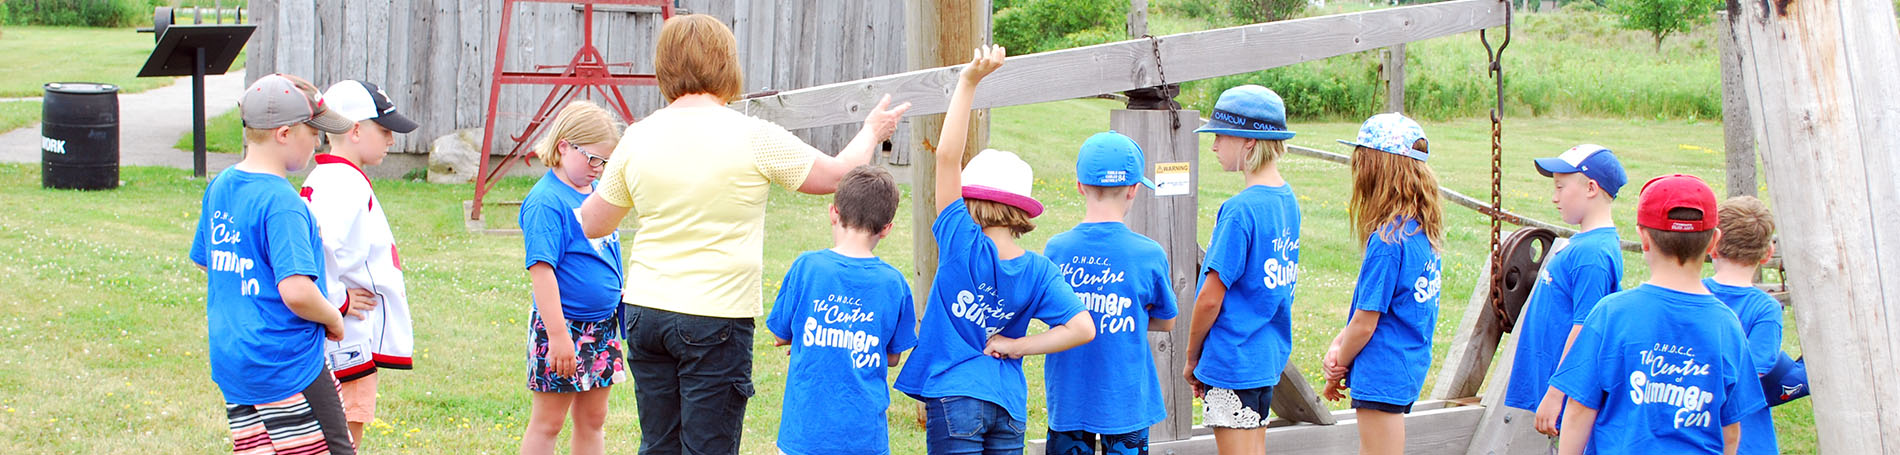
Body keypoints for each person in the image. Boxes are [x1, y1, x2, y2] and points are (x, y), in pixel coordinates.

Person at [575, 14, 910, 454]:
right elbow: (837, 175)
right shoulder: (752, 136)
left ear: (664, 68)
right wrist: (871, 130)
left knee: (657, 443)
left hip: (645, 312)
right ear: (726, 65)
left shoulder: (637, 137)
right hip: (714, 314)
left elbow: (594, 224)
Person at [892, 44, 1097, 455]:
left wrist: (968, 82)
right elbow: (1082, 328)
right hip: (1008, 402)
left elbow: (947, 156)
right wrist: (1016, 345)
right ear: (1020, 209)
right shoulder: (1039, 270)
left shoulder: (959, 241)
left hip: (955, 395)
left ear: (969, 200)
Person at [189, 73, 358, 454]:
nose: (317, 141)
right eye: (312, 131)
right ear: (284, 133)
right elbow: (297, 291)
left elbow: (208, 262)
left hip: (237, 363)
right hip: (287, 367)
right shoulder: (283, 204)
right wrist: (332, 316)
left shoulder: (221, 186)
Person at [1551, 174, 1767, 455]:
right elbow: (1731, 431)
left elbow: (1579, 410)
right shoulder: (1727, 325)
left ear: (1643, 238)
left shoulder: (1611, 314)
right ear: (1714, 242)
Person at [765, 165, 919, 455]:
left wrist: (810, 341)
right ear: (887, 228)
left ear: (834, 212)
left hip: (806, 434)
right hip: (864, 439)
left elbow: (780, 334)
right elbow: (892, 356)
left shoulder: (807, 267)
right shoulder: (894, 283)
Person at [1181, 84, 1301, 454]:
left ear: (1248, 142)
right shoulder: (1287, 200)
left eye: (1220, 136)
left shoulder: (1239, 210)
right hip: (1265, 357)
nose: (1214, 146)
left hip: (1232, 358)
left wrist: (1191, 356)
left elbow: (1210, 299)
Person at [1041, 131, 1178, 455]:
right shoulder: (1148, 253)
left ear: (1079, 185)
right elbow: (1166, 321)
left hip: (1070, 395)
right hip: (1125, 399)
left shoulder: (1056, 249)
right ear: (1133, 189)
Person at [304, 79, 422, 445]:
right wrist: (336, 301)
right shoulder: (342, 183)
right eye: (384, 130)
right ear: (355, 130)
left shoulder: (335, 176)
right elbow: (318, 248)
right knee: (342, 436)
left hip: (344, 334)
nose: (391, 140)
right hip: (344, 336)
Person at [1320, 113, 1445, 455]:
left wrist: (1338, 364)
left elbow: (1365, 322)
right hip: (1404, 368)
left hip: (1381, 372)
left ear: (1375, 170)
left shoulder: (1387, 240)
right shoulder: (1421, 232)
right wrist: (1339, 343)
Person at [518, 101, 626, 455]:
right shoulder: (546, 202)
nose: (598, 168)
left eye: (605, 162)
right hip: (563, 328)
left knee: (594, 419)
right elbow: (542, 272)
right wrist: (559, 336)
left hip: (602, 327)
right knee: (549, 422)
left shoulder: (595, 193)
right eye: (592, 158)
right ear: (563, 146)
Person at [1506, 144, 1628, 440]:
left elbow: (1584, 328)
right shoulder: (1584, 244)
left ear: (1590, 187)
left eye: (1561, 187)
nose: (1554, 197)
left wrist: (1556, 393)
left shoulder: (1593, 255)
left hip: (1569, 397)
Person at [1703, 195, 1783, 454]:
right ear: (1768, 253)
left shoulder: (1693, 293)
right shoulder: (1765, 308)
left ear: (1711, 245)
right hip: (1747, 435)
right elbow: (1757, 369)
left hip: (1692, 420)